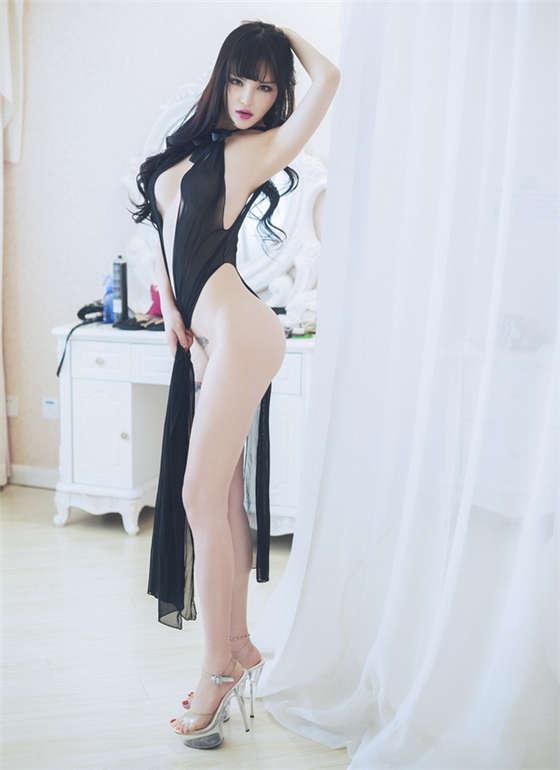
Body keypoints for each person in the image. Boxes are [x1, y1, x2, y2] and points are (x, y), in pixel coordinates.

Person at [130, 19, 340, 749]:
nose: (250, 97)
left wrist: (284, 33)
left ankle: (216, 670)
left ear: (278, 96)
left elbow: (331, 80)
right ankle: (240, 644)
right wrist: (168, 309)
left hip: (243, 332)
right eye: (241, 79)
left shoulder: (253, 151)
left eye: (267, 87)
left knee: (196, 497)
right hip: (208, 337)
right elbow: (161, 233)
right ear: (221, 77)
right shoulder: (188, 149)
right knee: (217, 498)